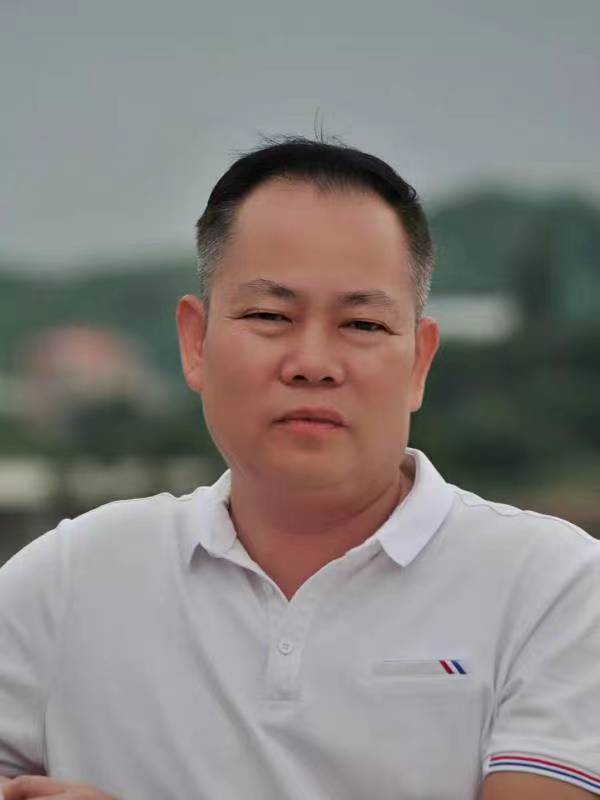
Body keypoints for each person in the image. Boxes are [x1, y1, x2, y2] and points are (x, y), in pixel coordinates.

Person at [1, 137, 599, 800]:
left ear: (419, 361)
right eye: (270, 316)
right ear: (196, 341)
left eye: (362, 325)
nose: (313, 363)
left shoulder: (555, 588)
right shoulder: (70, 579)